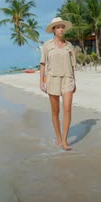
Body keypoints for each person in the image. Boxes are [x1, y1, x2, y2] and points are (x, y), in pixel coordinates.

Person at [40, 17, 77, 151]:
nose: (61, 29)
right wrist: (42, 82)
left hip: (68, 79)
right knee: (55, 111)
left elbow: (73, 66)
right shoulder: (47, 45)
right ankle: (59, 138)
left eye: (62, 27)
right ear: (53, 30)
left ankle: (65, 140)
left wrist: (75, 82)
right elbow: (43, 64)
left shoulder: (69, 46)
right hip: (52, 80)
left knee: (67, 108)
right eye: (58, 27)